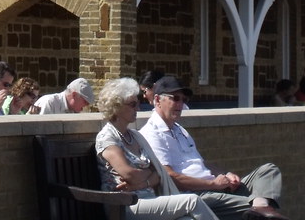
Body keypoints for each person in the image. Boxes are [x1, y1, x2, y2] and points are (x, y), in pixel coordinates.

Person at [139, 75, 289, 220]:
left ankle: (260, 207)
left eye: (184, 99)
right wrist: (213, 184)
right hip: (197, 195)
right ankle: (259, 208)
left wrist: (226, 174)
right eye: (175, 98)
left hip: (215, 187)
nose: (180, 105)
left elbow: (202, 163)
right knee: (256, 207)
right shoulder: (152, 133)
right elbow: (170, 177)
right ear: (157, 100)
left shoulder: (179, 130)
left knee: (268, 171)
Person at [94, 77, 220, 220]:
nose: (138, 108)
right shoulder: (107, 137)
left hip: (149, 200)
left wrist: (141, 183)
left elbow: (159, 175)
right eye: (133, 104)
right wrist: (149, 174)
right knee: (192, 201)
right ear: (116, 106)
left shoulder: (135, 136)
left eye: (138, 103)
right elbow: (130, 174)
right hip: (124, 206)